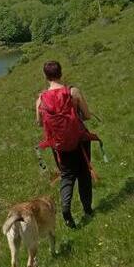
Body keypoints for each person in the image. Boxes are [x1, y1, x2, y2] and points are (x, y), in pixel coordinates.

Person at [35, 60, 94, 229]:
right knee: (83, 173)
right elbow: (88, 115)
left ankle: (66, 211)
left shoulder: (41, 99)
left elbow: (39, 123)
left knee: (67, 176)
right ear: (61, 72)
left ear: (45, 76)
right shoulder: (73, 92)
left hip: (58, 145)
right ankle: (88, 209)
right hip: (80, 141)